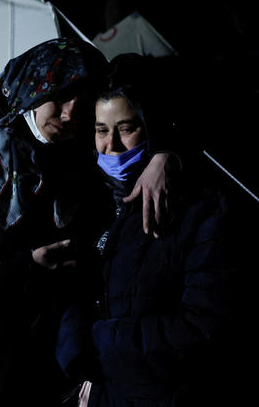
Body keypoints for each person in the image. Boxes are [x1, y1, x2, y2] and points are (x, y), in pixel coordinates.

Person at [0, 38, 176, 407]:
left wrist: (165, 153)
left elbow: (140, 76)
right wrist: (24, 267)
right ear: (31, 92)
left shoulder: (88, 158)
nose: (71, 114)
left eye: (82, 102)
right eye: (59, 97)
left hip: (40, 361)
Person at [55, 53, 239, 406]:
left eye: (126, 129)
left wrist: (102, 343)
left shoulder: (199, 210)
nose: (111, 145)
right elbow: (77, 298)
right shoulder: (91, 204)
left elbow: (205, 326)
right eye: (101, 130)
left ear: (151, 126)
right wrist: (80, 363)